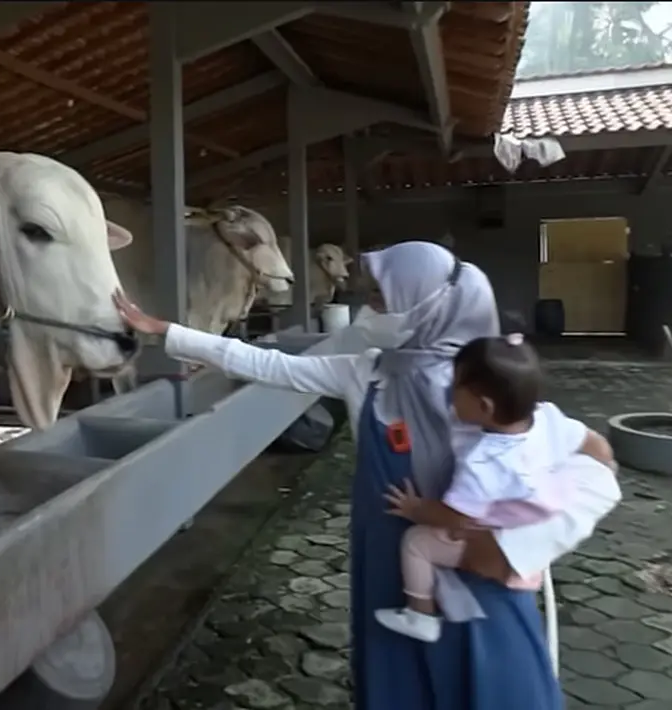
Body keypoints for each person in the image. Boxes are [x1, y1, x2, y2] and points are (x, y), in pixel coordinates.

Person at [113, 240, 619, 710]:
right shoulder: (368, 371)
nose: (370, 310)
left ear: (429, 305)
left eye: (383, 297)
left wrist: (521, 549)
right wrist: (168, 333)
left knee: (493, 681)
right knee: (397, 672)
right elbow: (267, 364)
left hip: (475, 565)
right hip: (388, 554)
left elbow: (596, 465)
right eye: (371, 296)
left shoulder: (491, 383)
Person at [373, 333, 617, 643]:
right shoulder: (549, 419)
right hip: (535, 523)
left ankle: (420, 614)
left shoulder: (485, 463)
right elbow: (596, 444)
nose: (450, 392)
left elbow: (456, 517)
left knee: (416, 542)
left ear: (485, 406)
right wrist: (607, 465)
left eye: (457, 387)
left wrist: (415, 508)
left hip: (495, 544)